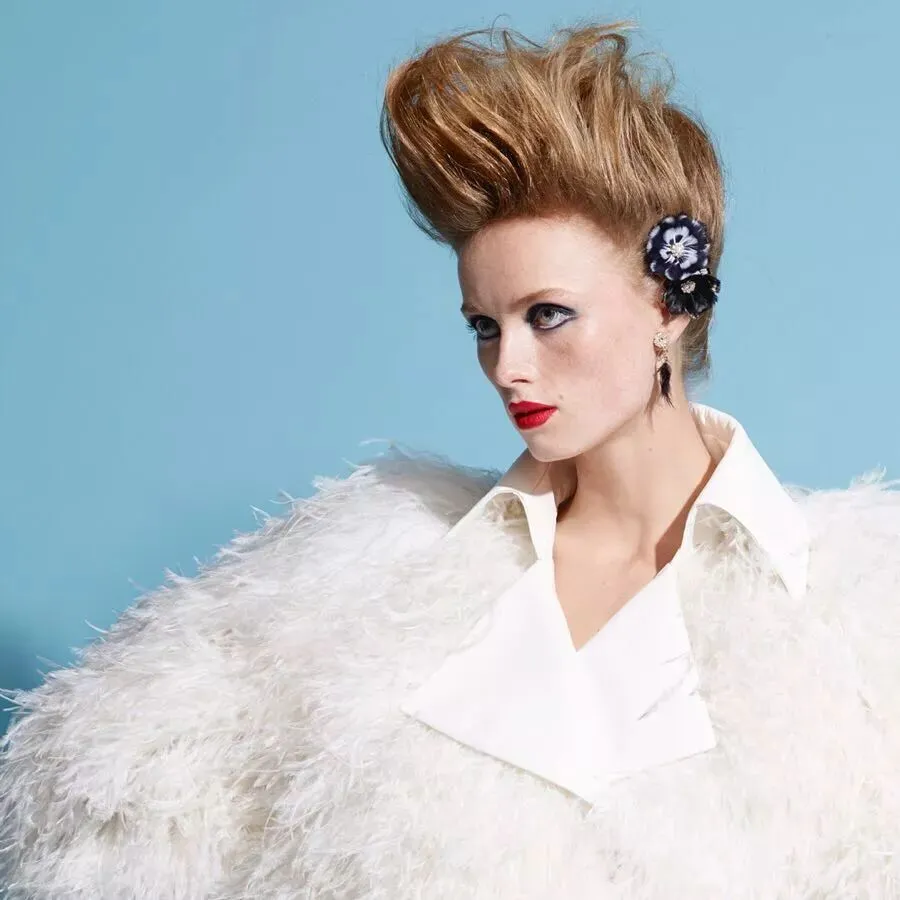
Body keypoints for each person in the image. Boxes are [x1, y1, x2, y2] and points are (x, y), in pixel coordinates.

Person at [2, 20, 900, 900]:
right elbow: (109, 813)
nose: (508, 366)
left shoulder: (862, 611)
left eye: (547, 315)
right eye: (484, 326)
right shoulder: (364, 581)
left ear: (668, 305)